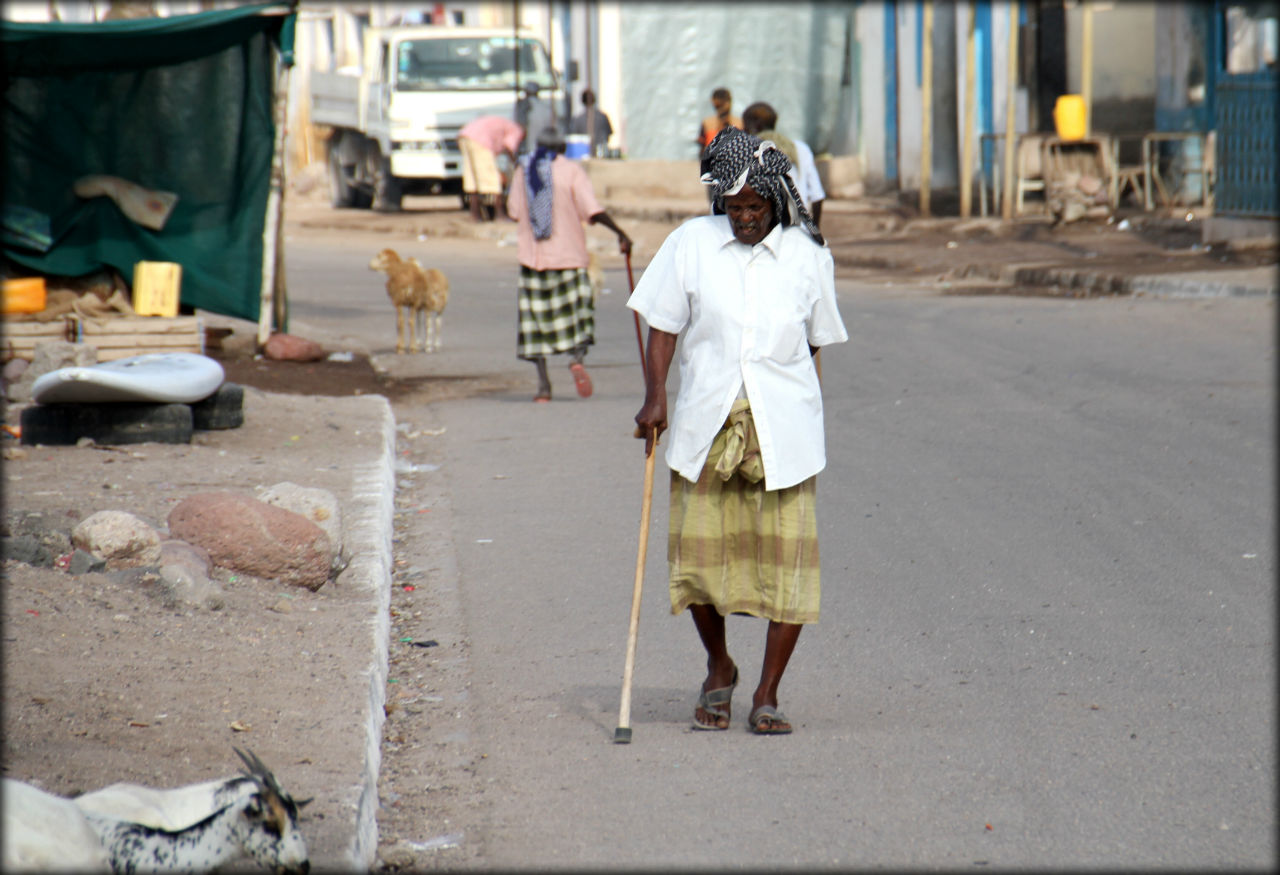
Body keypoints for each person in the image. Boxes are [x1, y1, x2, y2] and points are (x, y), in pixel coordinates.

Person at [628, 126, 846, 735]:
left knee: (790, 569)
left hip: (784, 431)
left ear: (776, 200)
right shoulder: (690, 244)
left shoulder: (808, 255)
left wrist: (808, 414)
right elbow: (663, 324)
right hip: (706, 424)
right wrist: (654, 397)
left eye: (755, 207)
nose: (744, 218)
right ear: (718, 201)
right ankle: (719, 666)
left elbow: (814, 343)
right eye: (733, 207)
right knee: (697, 563)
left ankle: (767, 693)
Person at [507, 127, 632, 402]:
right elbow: (593, 211)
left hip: (533, 261)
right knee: (578, 319)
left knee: (535, 325)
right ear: (562, 148)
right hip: (569, 258)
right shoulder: (572, 171)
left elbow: (514, 211)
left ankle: (543, 387)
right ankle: (576, 359)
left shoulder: (523, 171)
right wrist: (621, 233)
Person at [741, 101, 827, 227]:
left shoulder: (751, 151)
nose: (744, 131)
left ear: (757, 126)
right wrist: (815, 231)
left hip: (766, 232)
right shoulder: (800, 149)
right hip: (800, 230)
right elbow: (817, 196)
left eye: (746, 127)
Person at [457, 114, 525, 222]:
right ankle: (500, 215)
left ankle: (475, 214)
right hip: (481, 140)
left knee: (472, 178)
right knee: (492, 179)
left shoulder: (504, 123)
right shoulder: (517, 130)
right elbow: (509, 147)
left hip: (464, 136)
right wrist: (517, 165)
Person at [695, 87, 742, 154]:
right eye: (717, 106)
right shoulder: (707, 123)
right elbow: (702, 148)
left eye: (721, 105)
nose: (720, 109)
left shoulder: (740, 123)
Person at [569, 88, 614, 157]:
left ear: (582, 101)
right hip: (600, 153)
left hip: (583, 154)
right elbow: (609, 133)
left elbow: (574, 139)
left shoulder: (578, 119)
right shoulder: (603, 117)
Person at [515, 82, 556, 157]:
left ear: (526, 92)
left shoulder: (523, 107)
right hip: (545, 149)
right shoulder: (547, 109)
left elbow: (519, 128)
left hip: (528, 150)